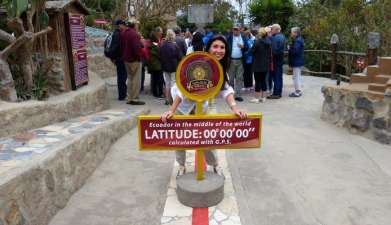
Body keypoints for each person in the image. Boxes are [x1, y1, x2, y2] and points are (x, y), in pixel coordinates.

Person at [161, 35, 247, 176]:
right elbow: (183, 91)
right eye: (215, 46)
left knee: (207, 136)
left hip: (202, 106)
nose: (219, 50)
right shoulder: (197, 62)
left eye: (222, 47)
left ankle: (214, 165)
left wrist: (235, 109)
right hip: (182, 105)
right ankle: (181, 166)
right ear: (208, 48)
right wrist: (171, 110)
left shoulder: (220, 69)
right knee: (180, 138)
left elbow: (226, 90)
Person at [120, 19, 145, 105]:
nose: (137, 26)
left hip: (126, 59)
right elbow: (136, 49)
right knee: (136, 80)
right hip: (134, 60)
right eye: (137, 24)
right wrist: (139, 57)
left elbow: (122, 46)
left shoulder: (124, 33)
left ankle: (129, 97)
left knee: (130, 79)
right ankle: (134, 99)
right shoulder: (134, 34)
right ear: (134, 25)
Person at [160, 29, 183, 105]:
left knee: (167, 83)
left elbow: (160, 55)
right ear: (172, 36)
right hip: (173, 67)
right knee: (173, 83)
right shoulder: (175, 45)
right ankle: (173, 100)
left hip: (165, 67)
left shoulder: (163, 45)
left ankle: (167, 99)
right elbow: (180, 57)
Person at [227, 24, 249, 102]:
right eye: (234, 29)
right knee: (231, 78)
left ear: (240, 30)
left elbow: (247, 48)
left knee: (239, 78)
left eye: (237, 29)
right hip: (231, 60)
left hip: (240, 60)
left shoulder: (243, 37)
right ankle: (231, 94)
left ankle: (238, 95)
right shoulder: (229, 37)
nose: (235, 31)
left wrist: (243, 47)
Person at [250, 27, 271, 103]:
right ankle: (263, 97)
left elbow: (251, 52)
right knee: (263, 81)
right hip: (265, 64)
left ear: (260, 34)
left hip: (257, 64)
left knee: (257, 81)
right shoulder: (268, 42)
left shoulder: (257, 42)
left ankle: (257, 98)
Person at [268, 24, 286, 99]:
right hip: (280, 59)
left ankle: (276, 93)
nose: (271, 30)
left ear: (275, 29)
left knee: (276, 77)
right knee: (279, 77)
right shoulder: (282, 36)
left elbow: (274, 50)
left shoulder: (275, 38)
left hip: (275, 60)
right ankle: (278, 92)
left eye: (272, 29)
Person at [111, 19, 127, 100]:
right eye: (123, 25)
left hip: (119, 58)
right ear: (120, 25)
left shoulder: (116, 33)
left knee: (122, 76)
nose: (124, 27)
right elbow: (115, 47)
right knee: (121, 77)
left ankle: (123, 94)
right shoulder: (117, 34)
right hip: (120, 58)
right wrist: (115, 58)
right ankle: (122, 95)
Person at [288, 27, 305, 97]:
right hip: (298, 60)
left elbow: (295, 51)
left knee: (296, 77)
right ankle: (298, 90)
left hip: (296, 61)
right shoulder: (299, 39)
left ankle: (297, 91)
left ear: (295, 33)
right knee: (296, 76)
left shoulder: (298, 40)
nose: (291, 33)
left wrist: (289, 48)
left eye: (292, 32)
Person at [147, 33, 164, 99]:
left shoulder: (150, 45)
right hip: (157, 65)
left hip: (152, 65)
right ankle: (160, 93)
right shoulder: (156, 46)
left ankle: (154, 92)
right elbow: (160, 55)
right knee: (160, 80)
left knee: (154, 79)